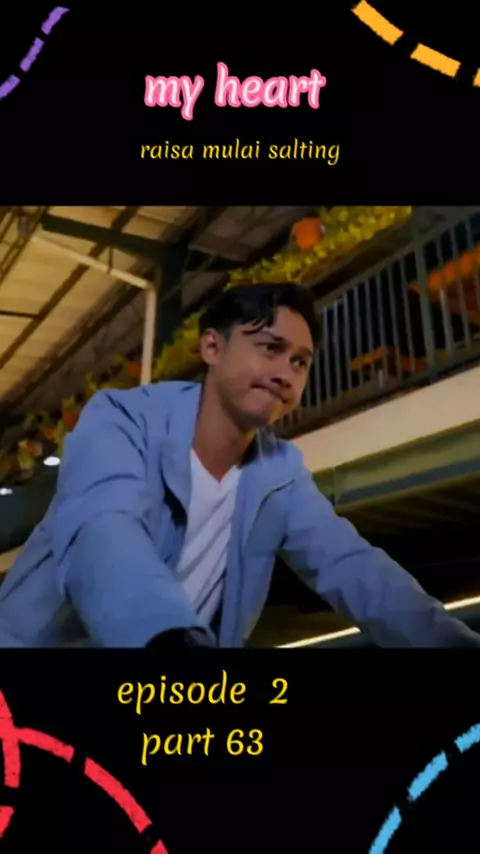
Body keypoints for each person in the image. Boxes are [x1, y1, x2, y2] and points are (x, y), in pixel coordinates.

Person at [0, 283, 479, 648]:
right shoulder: (123, 420)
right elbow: (105, 533)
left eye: (300, 362)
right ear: (212, 347)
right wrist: (169, 638)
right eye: (270, 348)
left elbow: (357, 571)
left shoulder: (281, 473)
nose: (285, 374)